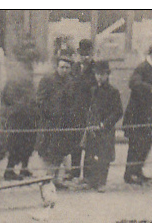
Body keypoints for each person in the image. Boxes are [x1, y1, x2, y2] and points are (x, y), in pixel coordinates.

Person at [123, 44, 152, 184]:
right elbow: (133, 83)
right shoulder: (142, 67)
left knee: (146, 143)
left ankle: (137, 170)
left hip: (146, 115)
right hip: (136, 115)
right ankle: (129, 174)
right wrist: (150, 88)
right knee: (135, 144)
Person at [37, 52, 78, 190]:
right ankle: (48, 180)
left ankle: (56, 180)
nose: (64, 70)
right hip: (50, 122)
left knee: (61, 152)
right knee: (50, 152)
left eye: (67, 68)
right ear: (57, 67)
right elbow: (40, 100)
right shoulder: (48, 80)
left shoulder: (72, 82)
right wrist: (48, 113)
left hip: (65, 123)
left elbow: (74, 101)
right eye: (62, 67)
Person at [81, 60, 123, 190]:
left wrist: (105, 124)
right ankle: (89, 180)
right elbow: (90, 108)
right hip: (93, 127)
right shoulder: (93, 90)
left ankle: (101, 182)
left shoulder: (113, 91)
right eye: (97, 74)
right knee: (90, 152)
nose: (99, 77)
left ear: (107, 75)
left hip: (105, 128)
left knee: (104, 155)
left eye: (102, 74)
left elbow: (118, 111)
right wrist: (89, 123)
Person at [0, 71, 39, 180]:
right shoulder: (12, 83)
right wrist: (18, 107)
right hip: (16, 119)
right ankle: (9, 171)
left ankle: (24, 168)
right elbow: (6, 98)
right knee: (15, 145)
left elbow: (34, 98)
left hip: (29, 118)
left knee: (29, 144)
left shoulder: (29, 83)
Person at [70, 39, 97, 180]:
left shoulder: (95, 68)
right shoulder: (73, 67)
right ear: (78, 54)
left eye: (88, 54)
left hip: (89, 110)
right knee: (75, 141)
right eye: (83, 54)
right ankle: (74, 172)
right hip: (75, 110)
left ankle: (87, 175)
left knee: (89, 143)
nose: (85, 57)